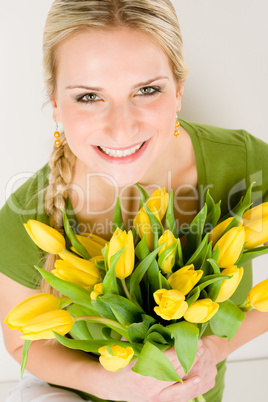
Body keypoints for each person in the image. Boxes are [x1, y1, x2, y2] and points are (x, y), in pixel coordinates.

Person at [0, 0, 267, 401]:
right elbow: (24, 345)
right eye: (89, 96)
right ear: (54, 101)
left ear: (178, 90)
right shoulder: (27, 218)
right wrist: (111, 384)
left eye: (146, 90)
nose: (122, 128)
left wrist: (216, 348)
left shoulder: (243, 166)